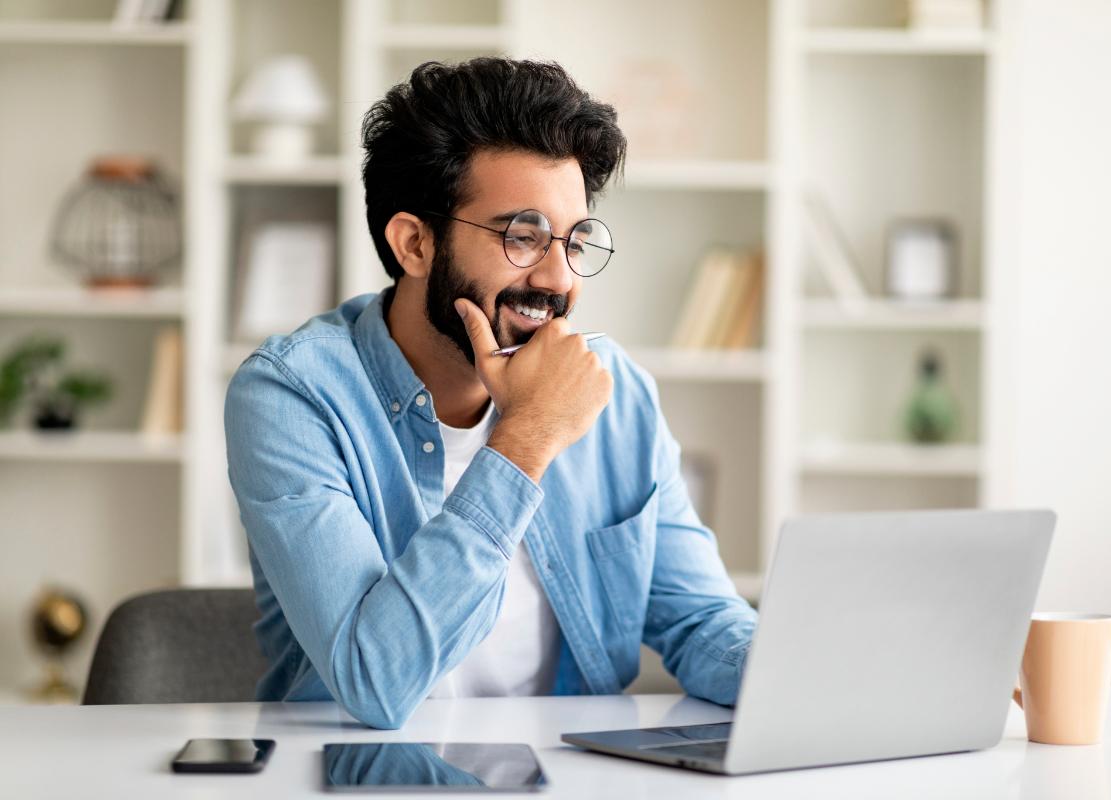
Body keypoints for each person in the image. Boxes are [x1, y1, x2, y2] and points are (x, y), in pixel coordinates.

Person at [225, 57, 757, 730]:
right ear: (415, 244)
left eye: (573, 240)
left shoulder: (615, 394)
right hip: (361, 769)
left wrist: (800, 673)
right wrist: (527, 437)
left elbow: (701, 620)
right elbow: (375, 680)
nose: (559, 278)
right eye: (522, 237)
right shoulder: (292, 396)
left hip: (572, 773)